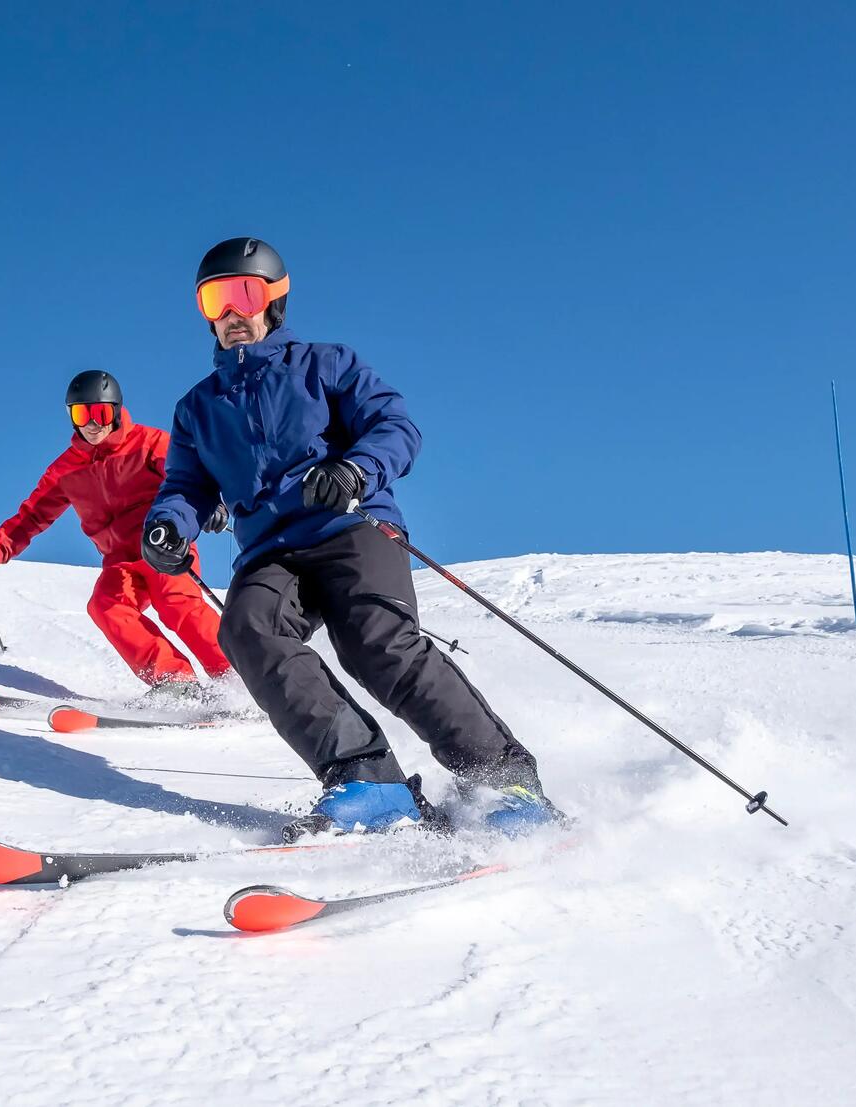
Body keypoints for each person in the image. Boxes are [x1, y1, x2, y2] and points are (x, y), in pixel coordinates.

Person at [142, 237, 563, 838]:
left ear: (273, 302)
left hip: (350, 524)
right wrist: (170, 526)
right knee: (247, 629)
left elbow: (395, 425)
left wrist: (355, 470)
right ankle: (367, 779)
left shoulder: (327, 363)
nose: (231, 312)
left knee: (377, 644)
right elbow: (186, 484)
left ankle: (504, 781)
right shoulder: (198, 408)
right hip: (269, 548)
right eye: (215, 299)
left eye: (245, 293)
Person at [0, 370, 232, 694]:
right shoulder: (67, 469)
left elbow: (188, 476)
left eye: (101, 413)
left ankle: (237, 676)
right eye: (82, 414)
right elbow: (31, 517)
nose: (93, 423)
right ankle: (174, 680)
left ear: (116, 411)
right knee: (106, 606)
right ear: (71, 417)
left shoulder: (148, 444)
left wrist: (209, 505)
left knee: (177, 603)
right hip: (119, 560)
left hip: (163, 545)